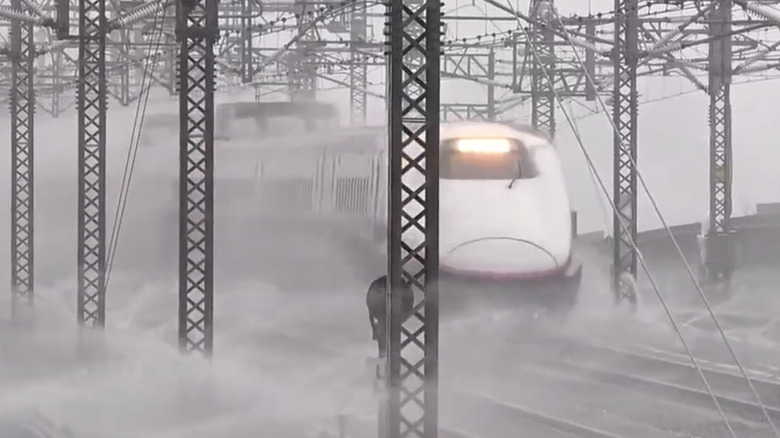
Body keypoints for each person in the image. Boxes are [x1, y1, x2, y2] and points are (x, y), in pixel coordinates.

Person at [366, 275, 414, 356]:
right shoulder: (388, 322)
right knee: (387, 343)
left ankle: (386, 358)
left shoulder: (380, 316)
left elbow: (370, 311)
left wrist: (374, 329)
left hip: (386, 319)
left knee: (386, 344)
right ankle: (388, 358)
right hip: (389, 320)